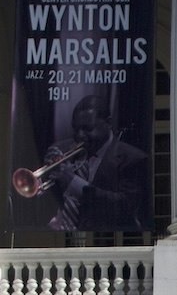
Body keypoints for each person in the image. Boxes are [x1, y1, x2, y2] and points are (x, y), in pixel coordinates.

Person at [44, 94, 147, 233]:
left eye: (87, 128)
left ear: (108, 123)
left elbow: (124, 207)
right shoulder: (61, 149)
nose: (80, 135)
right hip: (64, 241)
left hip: (108, 242)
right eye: (76, 128)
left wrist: (72, 181)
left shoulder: (133, 158)